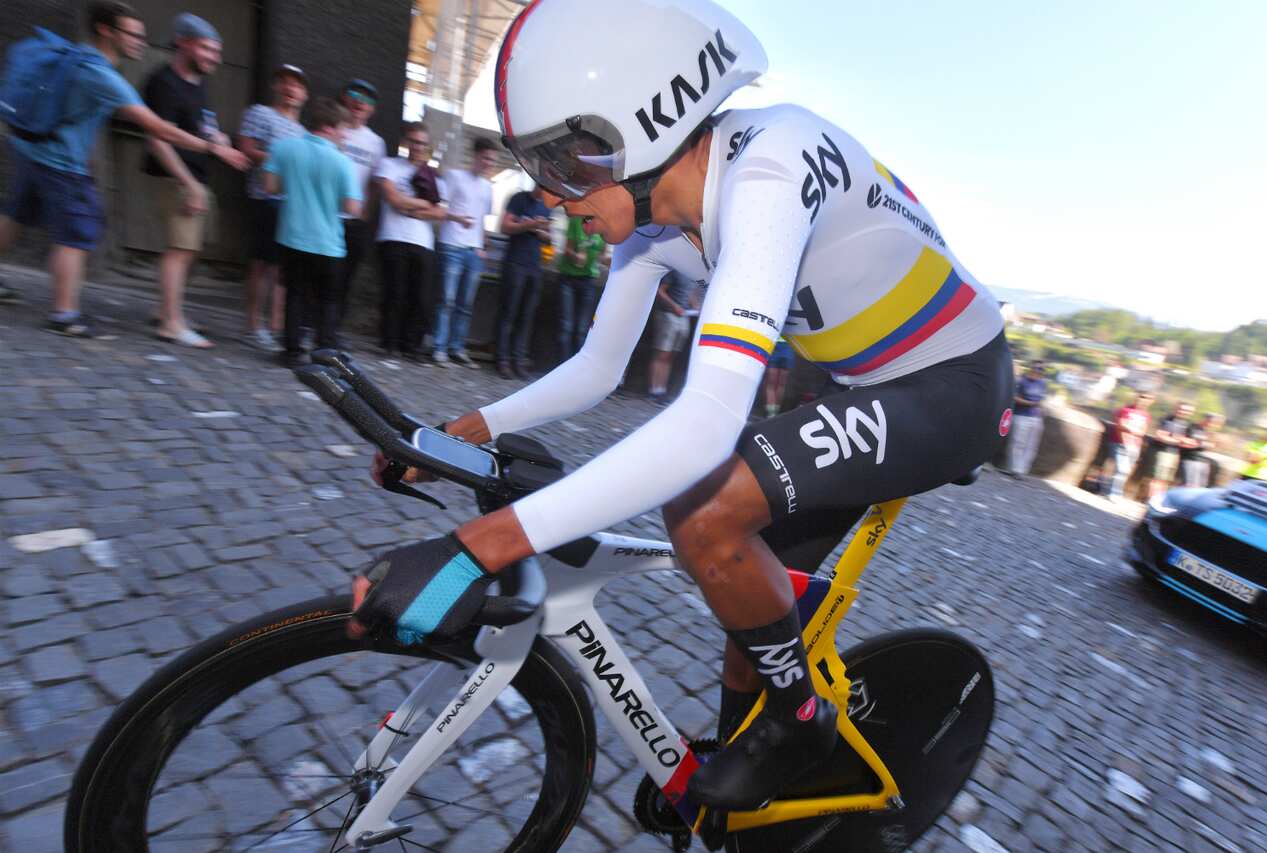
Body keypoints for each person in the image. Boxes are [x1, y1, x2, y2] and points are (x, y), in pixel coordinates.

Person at [350, 0, 1013, 810]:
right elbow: (598, 367)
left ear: (642, 125)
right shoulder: (654, 221)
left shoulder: (771, 165)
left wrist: (473, 549)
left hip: (956, 383)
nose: (550, 196)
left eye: (561, 164)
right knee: (749, 594)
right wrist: (469, 430)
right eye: (537, 168)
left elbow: (704, 424)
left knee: (704, 513)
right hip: (862, 382)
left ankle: (801, 721)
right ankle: (745, 773)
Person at [0, 1, 248, 338]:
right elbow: (158, 129)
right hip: (61, 163)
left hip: (34, 150)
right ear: (106, 31)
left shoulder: (79, 58)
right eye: (133, 35)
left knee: (15, 216)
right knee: (75, 236)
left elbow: (78, 114)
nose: (140, 42)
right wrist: (212, 147)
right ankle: (64, 314)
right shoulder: (103, 76)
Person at [139, 12, 227, 349]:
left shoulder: (198, 82)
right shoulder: (163, 83)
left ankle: (167, 311)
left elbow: (203, 126)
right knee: (179, 251)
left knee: (189, 250)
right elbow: (158, 140)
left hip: (197, 176)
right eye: (207, 49)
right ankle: (171, 325)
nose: (214, 58)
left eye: (216, 51)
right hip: (174, 177)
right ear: (183, 43)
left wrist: (218, 140)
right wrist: (189, 185)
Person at [263, 98, 362, 367]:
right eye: (343, 129)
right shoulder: (342, 162)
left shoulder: (282, 147)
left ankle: (292, 351)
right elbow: (352, 207)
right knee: (328, 298)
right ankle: (325, 351)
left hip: (292, 236)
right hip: (328, 242)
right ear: (329, 128)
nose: (345, 135)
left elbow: (270, 187)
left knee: (294, 293)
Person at [236, 63, 308, 352]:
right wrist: (282, 160)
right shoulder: (261, 113)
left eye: (297, 85)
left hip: (293, 204)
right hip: (265, 198)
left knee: (281, 269)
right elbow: (245, 148)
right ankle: (252, 326)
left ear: (304, 94)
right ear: (275, 86)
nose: (291, 89)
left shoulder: (303, 131)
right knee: (261, 264)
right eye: (286, 82)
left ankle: (277, 326)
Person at [373, 122, 447, 359]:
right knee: (394, 292)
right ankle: (390, 342)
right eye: (414, 142)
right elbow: (393, 199)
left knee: (421, 297)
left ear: (428, 146)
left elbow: (440, 213)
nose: (418, 147)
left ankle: (411, 345)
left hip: (422, 241)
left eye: (422, 143)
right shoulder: (389, 165)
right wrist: (424, 204)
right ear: (406, 142)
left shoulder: (434, 176)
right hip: (393, 236)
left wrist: (409, 208)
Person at [431, 137, 498, 367]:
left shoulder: (488, 187)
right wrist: (457, 218)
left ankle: (457, 348)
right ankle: (439, 347)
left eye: (492, 160)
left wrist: (483, 247)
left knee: (465, 305)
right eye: (486, 158)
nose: (489, 163)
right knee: (446, 300)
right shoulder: (454, 176)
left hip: (473, 251)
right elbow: (440, 209)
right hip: (451, 245)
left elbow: (482, 220)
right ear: (476, 155)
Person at [336, 79, 387, 326]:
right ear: (345, 99)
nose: (360, 103)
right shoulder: (334, 130)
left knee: (346, 277)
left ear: (372, 110)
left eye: (366, 100)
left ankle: (332, 331)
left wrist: (367, 212)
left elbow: (375, 183)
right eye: (355, 96)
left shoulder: (376, 143)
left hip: (355, 220)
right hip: (326, 215)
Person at [494, 188, 552, 378]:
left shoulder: (547, 207)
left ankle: (518, 359)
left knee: (526, 315)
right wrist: (529, 225)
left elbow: (549, 238)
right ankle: (502, 359)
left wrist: (541, 231)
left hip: (534, 265)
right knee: (508, 312)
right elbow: (505, 226)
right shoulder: (519, 198)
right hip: (515, 262)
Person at [556, 214, 606, 361]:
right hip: (568, 278)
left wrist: (603, 261)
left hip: (588, 280)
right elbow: (567, 249)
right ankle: (563, 365)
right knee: (566, 326)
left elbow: (602, 255)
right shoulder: (576, 221)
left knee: (582, 329)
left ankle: (577, 366)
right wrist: (575, 256)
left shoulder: (604, 225)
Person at [647, 270, 700, 401]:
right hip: (668, 314)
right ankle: (654, 389)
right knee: (662, 353)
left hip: (684, 315)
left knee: (672, 355)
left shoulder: (692, 272)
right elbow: (660, 291)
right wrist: (674, 306)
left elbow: (689, 291)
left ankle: (661, 389)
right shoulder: (675, 270)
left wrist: (694, 305)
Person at [1105, 392, 1153, 501]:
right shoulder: (1125, 410)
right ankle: (1113, 493)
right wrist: (1126, 439)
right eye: (1142, 397)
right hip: (1120, 443)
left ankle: (1115, 491)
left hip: (1135, 445)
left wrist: (1131, 430)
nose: (1144, 400)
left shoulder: (1146, 415)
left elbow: (1142, 432)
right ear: (1137, 397)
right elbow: (1121, 426)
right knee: (1121, 469)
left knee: (1125, 471)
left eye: (1147, 398)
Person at [1006, 360, 1048, 478]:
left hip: (1036, 417)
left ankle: (1023, 470)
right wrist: (1030, 403)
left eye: (1041, 369)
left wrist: (1040, 407)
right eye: (1036, 368)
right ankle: (1015, 469)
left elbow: (1042, 398)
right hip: (1021, 415)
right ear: (1031, 368)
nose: (1038, 371)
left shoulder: (1042, 383)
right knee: (1018, 443)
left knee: (1031, 445)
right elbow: (1014, 397)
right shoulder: (1021, 381)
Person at [1149, 401, 1196, 500]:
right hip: (1163, 452)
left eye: (1187, 411)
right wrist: (1180, 440)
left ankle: (1160, 500)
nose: (1183, 412)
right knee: (1158, 479)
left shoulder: (1189, 425)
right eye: (1181, 409)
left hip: (1176, 454)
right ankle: (1152, 500)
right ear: (1176, 408)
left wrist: (1173, 438)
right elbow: (1160, 436)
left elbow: (1192, 443)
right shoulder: (1167, 420)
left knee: (1167, 480)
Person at [1180, 413, 1223, 489]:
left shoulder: (1206, 432)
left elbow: (1214, 445)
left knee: (1201, 486)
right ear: (1204, 419)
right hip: (1190, 459)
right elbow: (1186, 442)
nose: (1211, 424)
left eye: (1213, 423)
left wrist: (1201, 443)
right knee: (1190, 485)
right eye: (1210, 421)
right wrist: (1202, 444)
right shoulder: (1192, 427)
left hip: (1201, 460)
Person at [762, 339, 794, 417]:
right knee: (777, 384)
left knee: (774, 384)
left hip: (781, 343)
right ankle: (773, 413)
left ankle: (772, 413)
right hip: (783, 344)